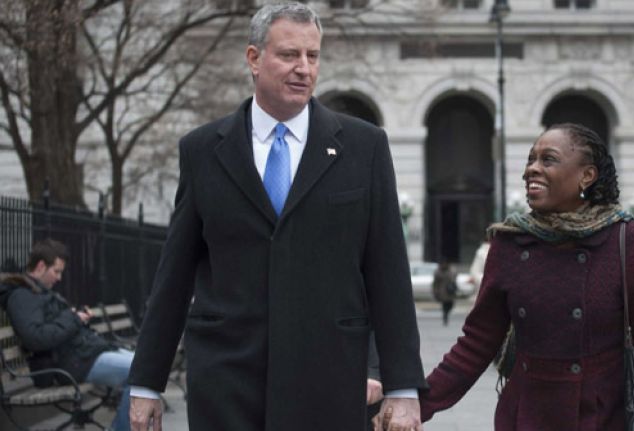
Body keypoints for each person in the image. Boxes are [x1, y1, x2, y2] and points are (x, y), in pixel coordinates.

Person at [128, 3, 425, 430]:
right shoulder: (203, 150)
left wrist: (402, 387)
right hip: (227, 381)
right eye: (289, 55)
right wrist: (146, 382)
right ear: (254, 58)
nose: (303, 68)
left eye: (313, 56)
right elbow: (174, 275)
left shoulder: (364, 147)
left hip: (329, 380)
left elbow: (388, 271)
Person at [409, 123, 634, 430]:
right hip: (527, 415)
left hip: (601, 417)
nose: (531, 170)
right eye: (531, 160)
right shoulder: (510, 243)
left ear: (587, 175)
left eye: (548, 160)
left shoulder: (627, 240)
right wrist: (414, 406)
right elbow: (476, 343)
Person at [0, 239, 133, 431]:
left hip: (81, 355)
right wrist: (74, 319)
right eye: (57, 271)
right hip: (67, 364)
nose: (59, 278)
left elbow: (54, 325)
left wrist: (74, 316)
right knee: (139, 372)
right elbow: (36, 338)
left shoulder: (40, 293)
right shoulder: (22, 297)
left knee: (146, 366)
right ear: (40, 266)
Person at [432, 262, 457, 326]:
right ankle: (445, 316)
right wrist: (435, 291)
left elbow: (454, 278)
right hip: (442, 291)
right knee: (445, 305)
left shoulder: (451, 270)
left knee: (450, 304)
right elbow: (435, 283)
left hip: (450, 291)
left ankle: (446, 314)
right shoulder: (438, 272)